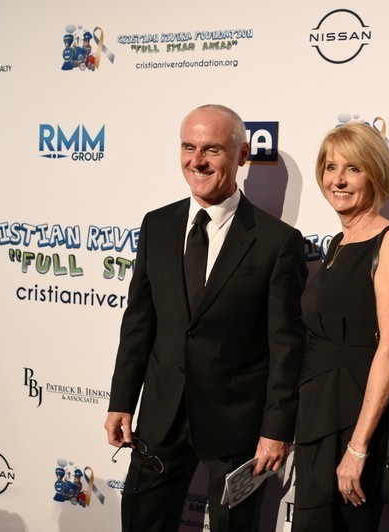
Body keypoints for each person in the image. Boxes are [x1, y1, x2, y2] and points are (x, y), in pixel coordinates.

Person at [105, 104, 307, 532]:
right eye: (188, 147)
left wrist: (276, 429)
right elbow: (139, 322)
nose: (196, 161)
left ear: (242, 155)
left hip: (238, 426)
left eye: (212, 149)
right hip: (160, 416)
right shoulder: (157, 225)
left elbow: (286, 348)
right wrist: (122, 400)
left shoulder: (277, 242)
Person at [292, 122, 389, 531]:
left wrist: (359, 447)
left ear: (375, 174)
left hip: (356, 419)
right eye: (331, 167)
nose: (339, 180)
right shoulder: (338, 243)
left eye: (353, 168)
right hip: (318, 412)